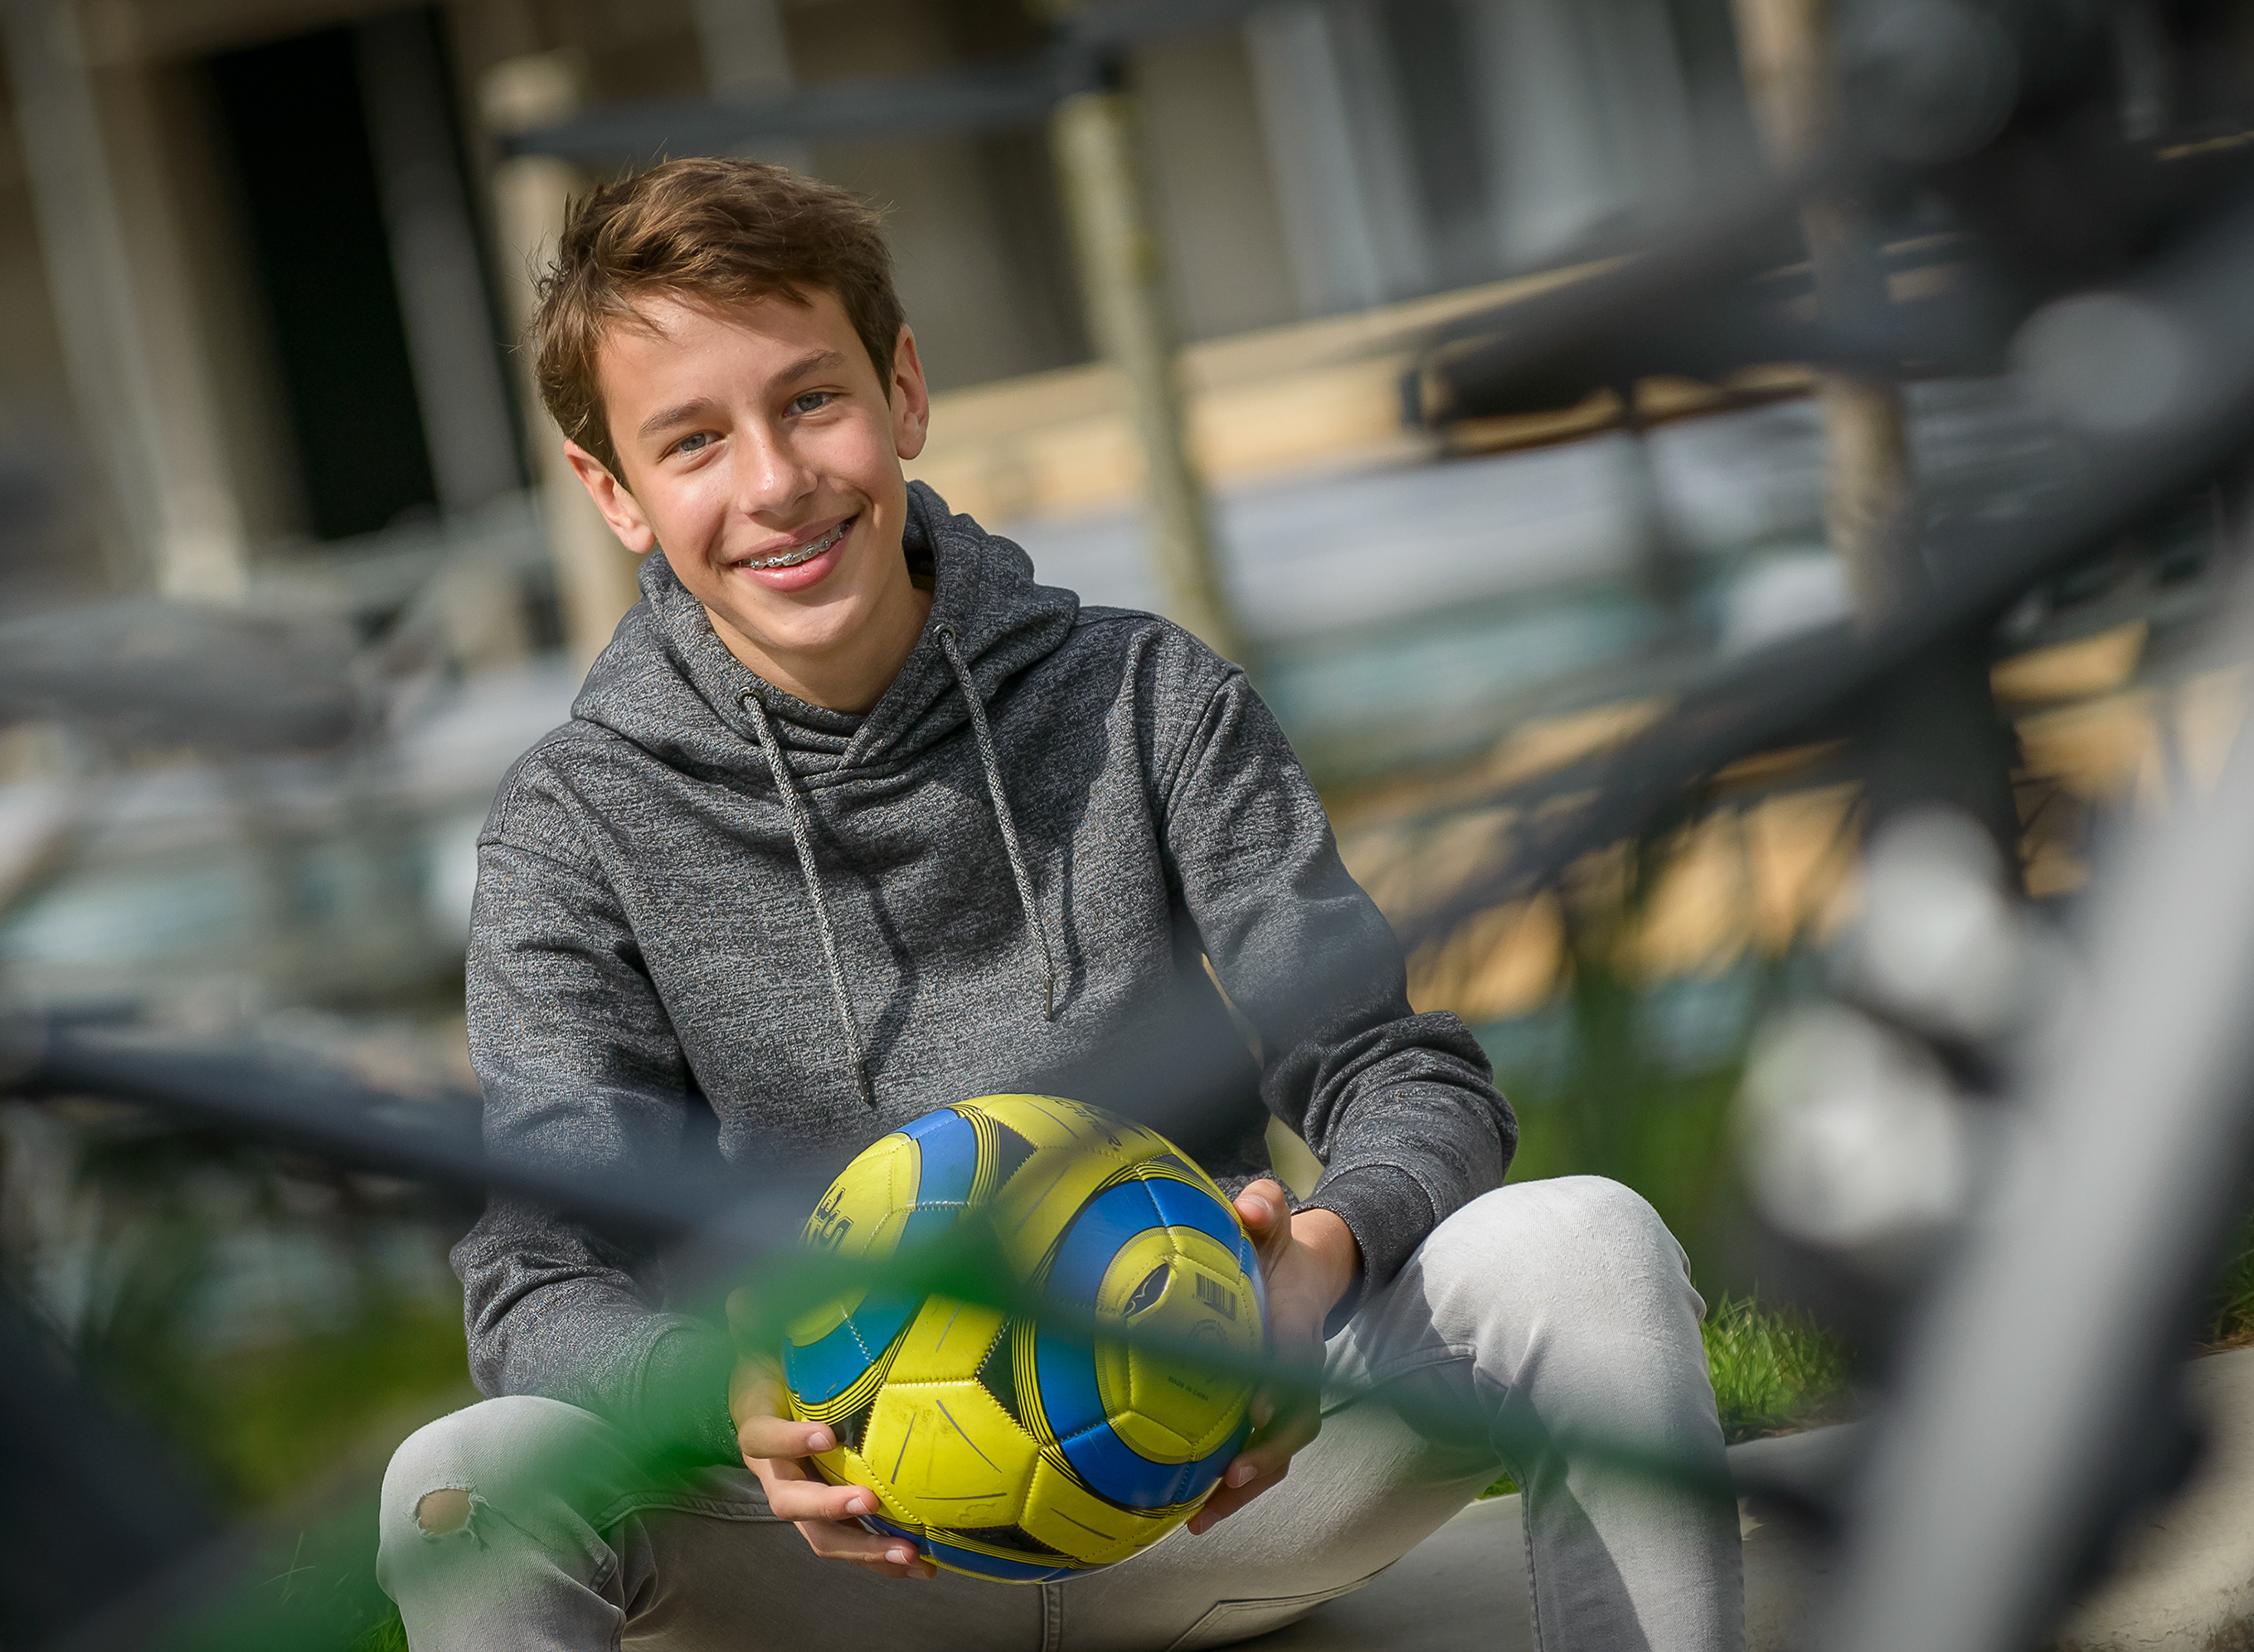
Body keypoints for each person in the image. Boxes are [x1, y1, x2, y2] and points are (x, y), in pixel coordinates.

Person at [378, 157, 1741, 1652]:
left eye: (810, 401)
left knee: (1584, 1241)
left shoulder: (1146, 699)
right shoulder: (572, 826)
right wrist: (720, 1397)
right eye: (692, 440)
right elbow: (538, 1279)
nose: (772, 483)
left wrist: (1317, 1263)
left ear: (903, 392)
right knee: (460, 1486)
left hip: (1218, 1478)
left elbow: (1398, 1071)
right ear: (614, 494)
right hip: (841, 1557)